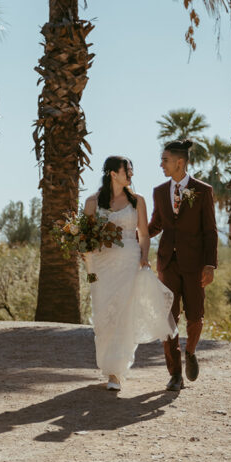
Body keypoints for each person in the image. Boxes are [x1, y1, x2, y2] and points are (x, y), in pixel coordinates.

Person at [84, 156, 177, 392]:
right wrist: (89, 265)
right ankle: (107, 365)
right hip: (102, 265)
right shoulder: (92, 202)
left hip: (128, 262)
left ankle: (116, 372)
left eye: (132, 170)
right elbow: (85, 239)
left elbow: (144, 235)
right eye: (127, 170)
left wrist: (144, 256)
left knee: (123, 316)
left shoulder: (138, 201)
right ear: (113, 174)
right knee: (104, 317)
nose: (131, 174)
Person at [148, 139, 218, 392]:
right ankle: (175, 374)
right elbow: (157, 224)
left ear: (180, 162)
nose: (161, 164)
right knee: (168, 317)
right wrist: (134, 238)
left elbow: (210, 231)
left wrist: (210, 264)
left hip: (195, 264)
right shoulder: (158, 191)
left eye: (165, 160)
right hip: (167, 263)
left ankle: (190, 352)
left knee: (196, 316)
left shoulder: (202, 190)